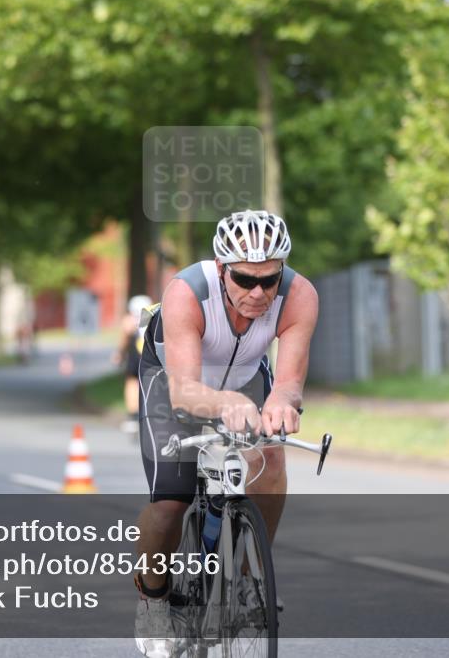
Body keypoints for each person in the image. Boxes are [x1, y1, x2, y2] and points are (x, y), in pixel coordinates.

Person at [133, 210, 318, 656]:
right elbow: (184, 395)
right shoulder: (186, 294)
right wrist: (226, 403)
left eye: (269, 280)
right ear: (221, 269)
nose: (258, 292)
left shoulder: (300, 295)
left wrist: (281, 404)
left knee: (271, 456)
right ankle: (155, 600)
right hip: (175, 381)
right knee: (169, 504)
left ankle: (252, 575)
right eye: (244, 279)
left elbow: (289, 382)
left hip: (248, 376)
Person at [116, 294, 153, 435]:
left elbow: (124, 338)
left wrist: (119, 353)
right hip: (150, 354)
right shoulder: (154, 316)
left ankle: (132, 417)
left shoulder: (129, 320)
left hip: (136, 355)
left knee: (132, 382)